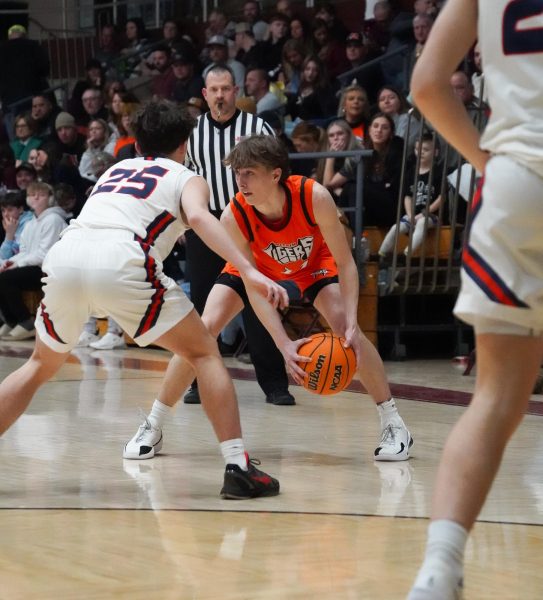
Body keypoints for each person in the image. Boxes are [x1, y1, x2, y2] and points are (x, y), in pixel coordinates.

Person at [0, 100, 285, 500]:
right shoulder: (188, 176)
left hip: (67, 255)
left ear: (136, 146)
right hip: (122, 258)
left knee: (37, 366)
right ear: (185, 144)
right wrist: (250, 268)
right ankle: (238, 466)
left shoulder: (114, 170)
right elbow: (201, 220)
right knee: (204, 354)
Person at [124, 135, 413, 463]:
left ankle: (393, 423)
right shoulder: (234, 215)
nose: (240, 181)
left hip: (311, 264)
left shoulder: (314, 196)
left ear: (275, 174)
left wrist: (352, 320)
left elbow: (345, 263)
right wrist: (283, 344)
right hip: (255, 269)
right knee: (201, 333)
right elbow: (251, 283)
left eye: (249, 173)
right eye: (237, 173)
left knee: (350, 333)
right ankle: (153, 424)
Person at [407, 1, 543, 598]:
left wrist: (488, 162)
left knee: (493, 400)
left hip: (515, 183)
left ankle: (439, 570)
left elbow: (427, 85)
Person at [173, 64, 294, 406]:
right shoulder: (192, 134)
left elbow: (278, 173)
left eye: (227, 89)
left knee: (258, 300)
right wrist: (184, 221)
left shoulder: (257, 127)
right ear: (205, 94)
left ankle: (274, 384)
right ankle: (198, 381)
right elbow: (183, 180)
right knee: (201, 305)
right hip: (207, 225)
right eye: (215, 90)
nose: (221, 96)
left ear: (236, 90)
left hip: (250, 224)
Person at [0, 181, 68, 341]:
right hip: (33, 266)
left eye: (41, 194)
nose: (36, 197)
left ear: (50, 198)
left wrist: (17, 264)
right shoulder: (31, 223)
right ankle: (10, 320)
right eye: (32, 194)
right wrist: (9, 263)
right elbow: (24, 251)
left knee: (6, 279)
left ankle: (25, 321)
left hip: (48, 269)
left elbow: (44, 254)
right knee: (3, 273)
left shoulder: (53, 219)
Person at [378, 132, 443, 260]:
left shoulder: (438, 171)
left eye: (425, 149)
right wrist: (410, 214)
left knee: (422, 223)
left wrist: (424, 213)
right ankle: (382, 254)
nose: (421, 152)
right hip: (414, 214)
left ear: (435, 152)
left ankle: (407, 253)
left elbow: (442, 197)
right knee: (397, 227)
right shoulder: (411, 172)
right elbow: (407, 196)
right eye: (417, 149)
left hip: (432, 215)